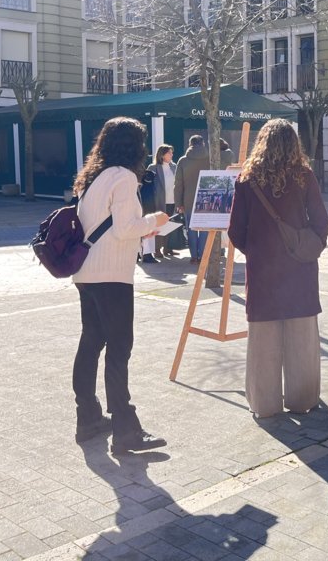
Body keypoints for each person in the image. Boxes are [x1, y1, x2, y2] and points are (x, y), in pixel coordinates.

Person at [71, 117, 170, 454]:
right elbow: (126, 228)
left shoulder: (92, 177)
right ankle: (126, 430)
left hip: (86, 273)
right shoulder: (125, 177)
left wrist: (143, 227)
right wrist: (155, 221)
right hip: (112, 274)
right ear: (134, 147)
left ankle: (88, 419)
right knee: (119, 348)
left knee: (91, 343)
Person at [228, 119, 328, 418]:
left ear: (262, 143)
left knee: (263, 340)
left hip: (263, 272)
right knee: (302, 337)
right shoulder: (304, 175)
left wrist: (258, 251)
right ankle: (302, 400)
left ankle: (265, 404)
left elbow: (236, 230)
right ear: (292, 144)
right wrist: (306, 245)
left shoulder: (247, 180)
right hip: (299, 268)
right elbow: (321, 221)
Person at [174, 135, 210, 265]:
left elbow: (178, 183)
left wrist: (178, 203)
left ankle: (194, 256)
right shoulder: (210, 159)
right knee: (205, 229)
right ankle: (203, 256)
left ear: (190, 144)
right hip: (207, 198)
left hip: (188, 199)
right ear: (203, 144)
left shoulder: (183, 160)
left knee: (191, 229)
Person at [146, 144, 179, 258]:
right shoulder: (153, 167)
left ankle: (168, 248)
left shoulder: (174, 166)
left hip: (172, 200)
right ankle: (157, 249)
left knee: (170, 224)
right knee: (159, 226)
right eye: (169, 153)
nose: (171, 155)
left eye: (171, 153)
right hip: (159, 201)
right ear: (162, 155)